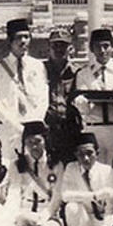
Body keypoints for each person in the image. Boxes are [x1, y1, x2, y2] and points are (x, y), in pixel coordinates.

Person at [71, 28, 113, 163]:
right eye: (97, 46)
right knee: (95, 171)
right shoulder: (84, 74)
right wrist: (81, 102)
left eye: (106, 46)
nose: (102, 50)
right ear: (92, 49)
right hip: (94, 128)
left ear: (112, 48)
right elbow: (84, 109)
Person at [0, 19, 49, 159]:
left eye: (26, 37)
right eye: (18, 37)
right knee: (11, 173)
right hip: (10, 131)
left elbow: (43, 98)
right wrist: (16, 126)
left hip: (34, 133)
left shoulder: (37, 66)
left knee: (35, 171)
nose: (23, 41)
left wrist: (34, 125)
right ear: (9, 40)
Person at [53, 132, 113, 226]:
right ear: (76, 155)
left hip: (102, 218)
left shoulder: (108, 171)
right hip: (83, 218)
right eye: (81, 154)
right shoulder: (71, 168)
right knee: (72, 207)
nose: (86, 158)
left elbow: (110, 206)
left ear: (97, 153)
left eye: (89, 153)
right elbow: (65, 195)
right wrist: (94, 196)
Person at [9, 121, 64, 226]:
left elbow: (57, 196)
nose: (34, 146)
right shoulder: (17, 164)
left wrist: (45, 216)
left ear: (45, 141)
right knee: (28, 224)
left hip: (47, 212)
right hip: (25, 211)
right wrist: (15, 215)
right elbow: (14, 193)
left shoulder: (56, 164)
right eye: (29, 142)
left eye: (38, 141)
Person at [43, 28, 78, 165]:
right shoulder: (39, 71)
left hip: (70, 131)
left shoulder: (77, 72)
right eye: (55, 45)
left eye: (63, 46)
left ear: (70, 49)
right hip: (47, 130)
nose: (59, 49)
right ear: (48, 48)